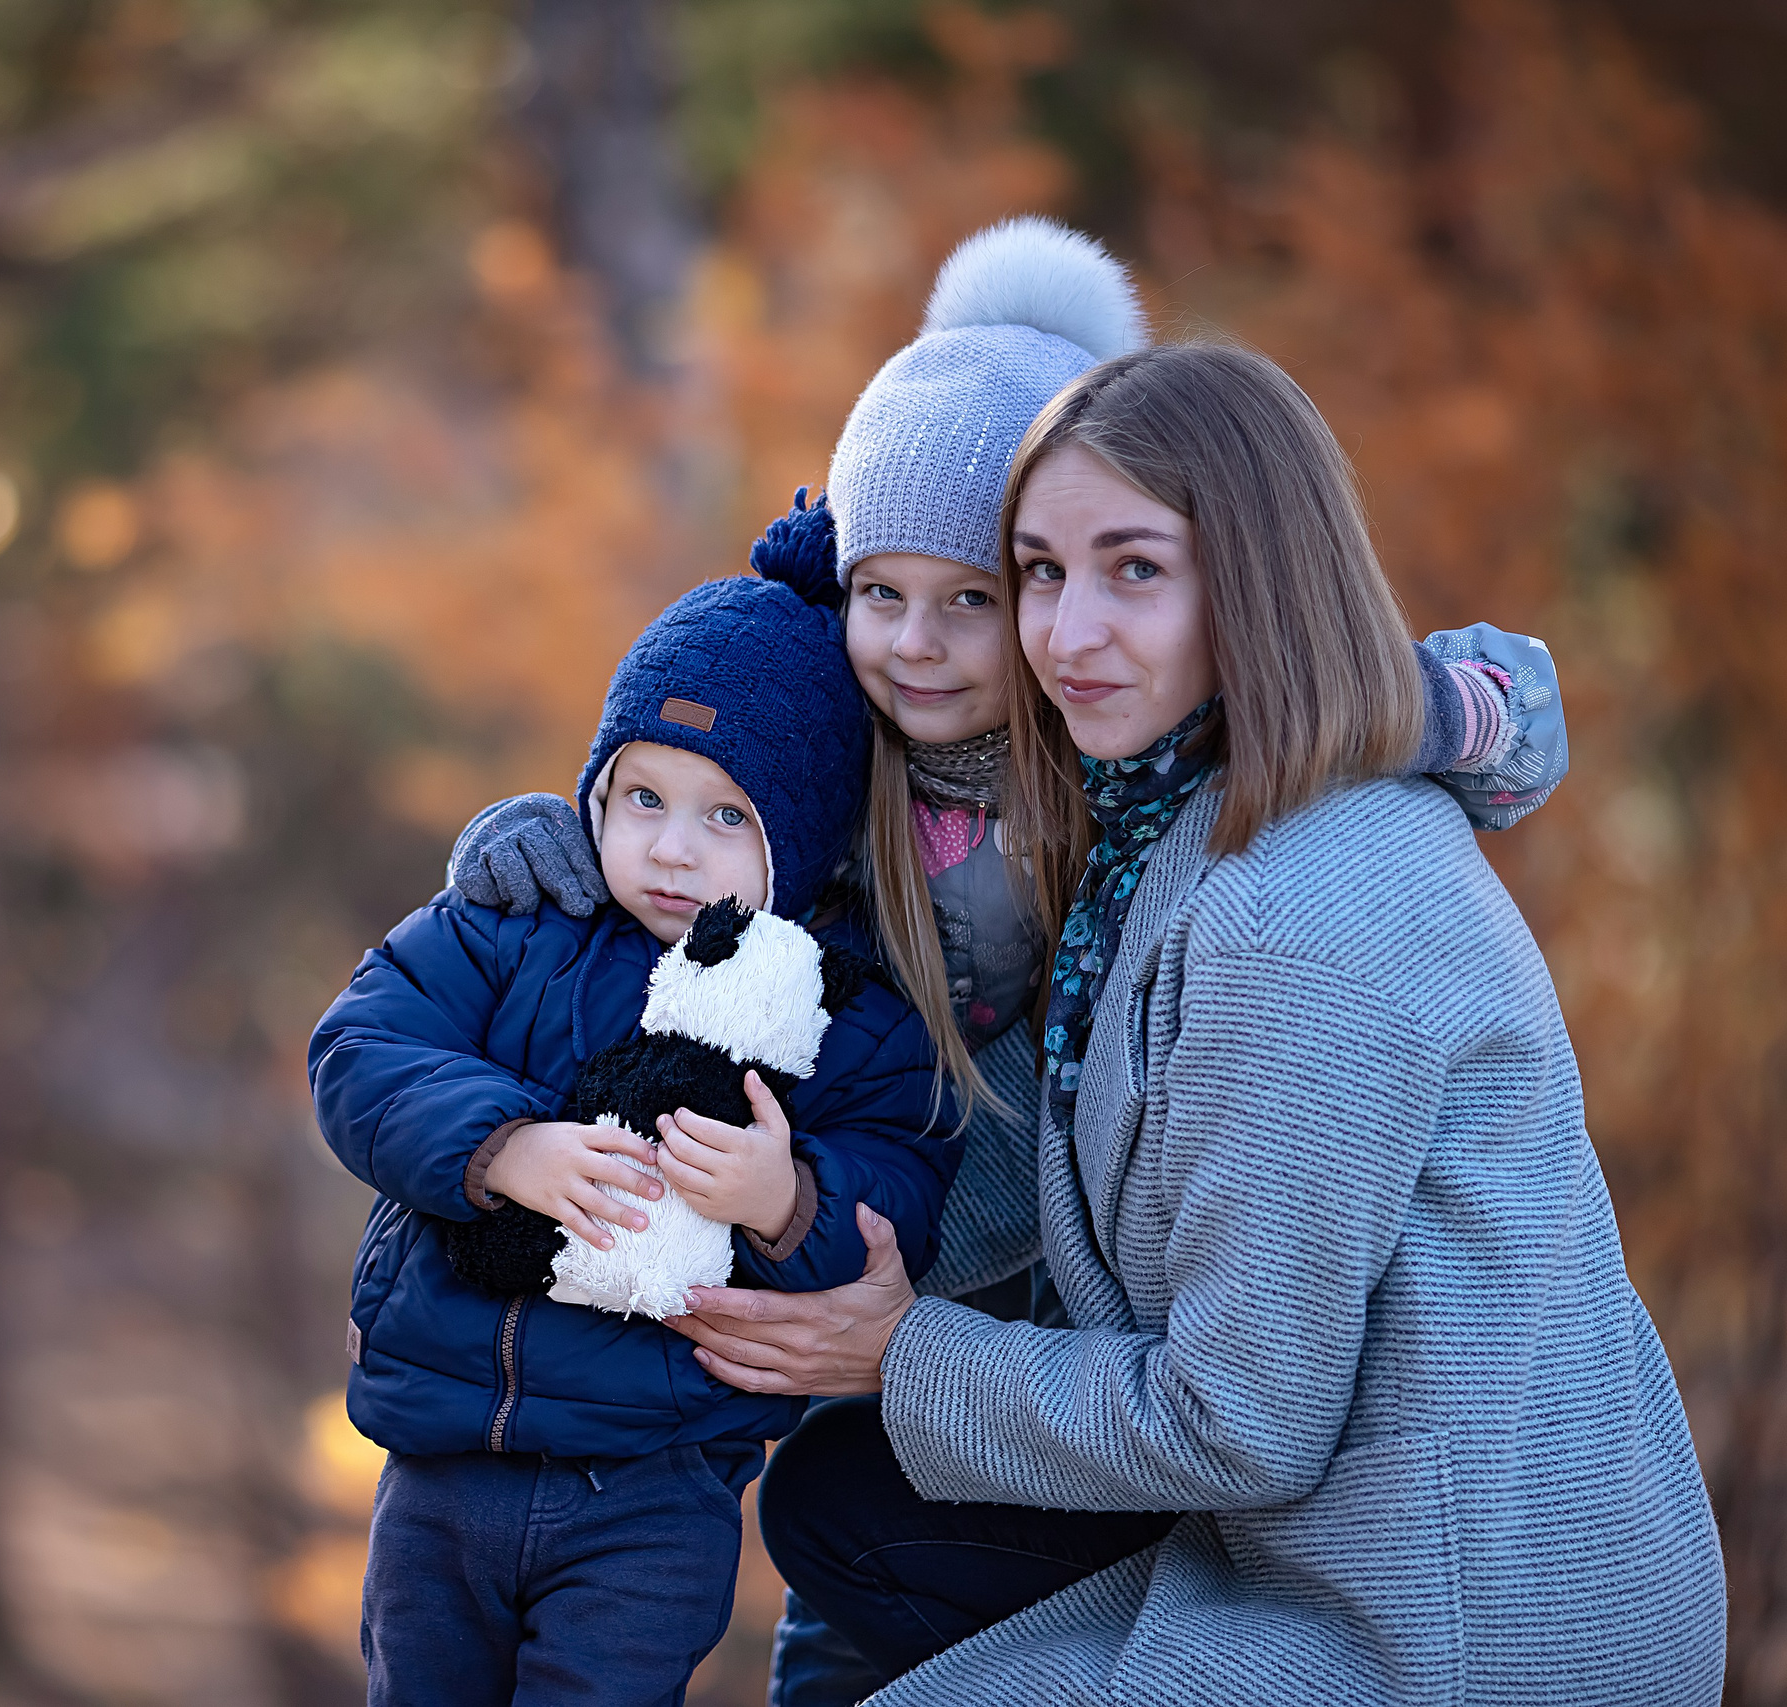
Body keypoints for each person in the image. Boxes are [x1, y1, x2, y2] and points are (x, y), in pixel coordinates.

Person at [445, 216, 1570, 1704]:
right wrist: (561, 833)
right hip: (937, 1202)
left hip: (1098, 1275)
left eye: (982, 591)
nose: (924, 643)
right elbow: (683, 779)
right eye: (889, 591)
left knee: (879, 1487)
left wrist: (1388, 711)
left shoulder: (1143, 767)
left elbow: (1498, 706)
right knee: (830, 1514)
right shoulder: (839, 721)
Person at [671, 341, 1727, 1705]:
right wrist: (773, 1211)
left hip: (1453, 1624)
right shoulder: (1173, 825)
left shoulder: (1296, 914)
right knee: (840, 1497)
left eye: (1135, 569)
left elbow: (1242, 1423)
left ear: (1259, 576)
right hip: (1336, 1523)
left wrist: (897, 1348)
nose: (1066, 633)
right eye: (1043, 571)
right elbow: (1061, 1167)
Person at [309, 571, 952, 1707]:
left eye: (724, 817)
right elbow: (362, 1050)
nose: (669, 851)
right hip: (445, 1458)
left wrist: (783, 1197)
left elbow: (900, 1187)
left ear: (798, 837)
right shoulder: (511, 925)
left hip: (653, 1489)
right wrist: (501, 1146)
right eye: (641, 797)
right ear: (594, 793)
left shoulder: (842, 1013)